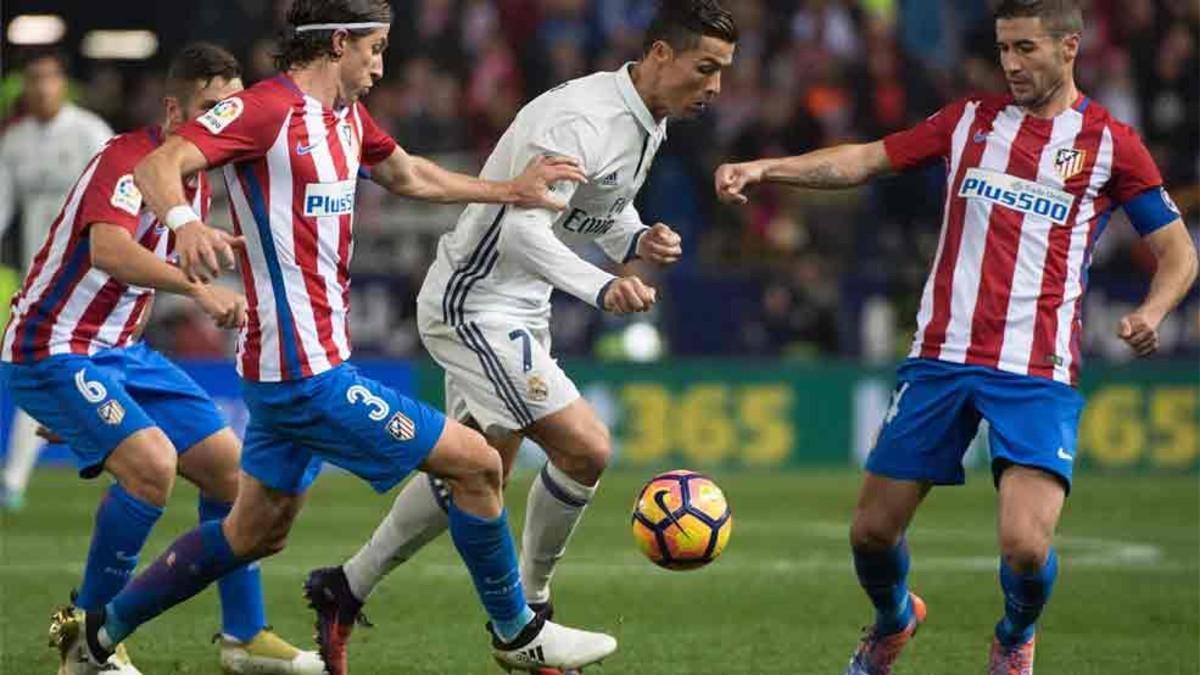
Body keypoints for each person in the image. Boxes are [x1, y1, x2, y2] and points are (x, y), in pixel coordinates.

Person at [59, 2, 618, 673]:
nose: (381, 66)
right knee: (476, 463)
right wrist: (183, 221)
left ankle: (95, 637)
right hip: (303, 374)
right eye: (375, 50)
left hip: (294, 368)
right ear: (340, 43)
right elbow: (161, 165)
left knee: (252, 530)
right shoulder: (265, 110)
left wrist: (511, 190)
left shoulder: (346, 117)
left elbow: (409, 174)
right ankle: (516, 631)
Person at [713, 1, 1197, 673]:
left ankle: (1014, 635)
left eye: (1026, 48)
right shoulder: (970, 120)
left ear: (1070, 47)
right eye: (1004, 48)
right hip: (940, 357)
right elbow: (865, 159)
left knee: (1025, 546)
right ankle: (894, 618)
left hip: (1037, 369)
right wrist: (770, 167)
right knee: (871, 534)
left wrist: (1155, 309)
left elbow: (1178, 253)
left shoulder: (1112, 144)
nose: (1012, 63)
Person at [303, 2, 738, 672]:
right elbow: (521, 229)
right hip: (476, 303)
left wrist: (636, 236)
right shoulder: (583, 119)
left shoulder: (646, 118)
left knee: (477, 469)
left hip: (515, 306)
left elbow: (600, 203)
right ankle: (532, 618)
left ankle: (344, 587)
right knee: (586, 448)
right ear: (660, 55)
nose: (714, 87)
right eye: (705, 68)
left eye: (723, 73)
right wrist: (602, 285)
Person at [0, 43, 323, 675]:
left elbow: (136, 290)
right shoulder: (130, 160)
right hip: (52, 346)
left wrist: (90, 408)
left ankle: (243, 638)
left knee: (237, 480)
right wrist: (199, 288)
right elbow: (111, 254)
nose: (216, 124)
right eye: (207, 109)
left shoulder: (193, 181)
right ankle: (87, 638)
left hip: (117, 356)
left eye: (227, 111)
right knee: (152, 468)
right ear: (174, 108)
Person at [0, 48, 113, 511]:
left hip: (95, 276)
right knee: (45, 369)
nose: (41, 87)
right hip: (41, 278)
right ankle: (15, 479)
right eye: (34, 79)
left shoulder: (90, 132)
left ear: (62, 83)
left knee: (92, 370)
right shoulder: (14, 142)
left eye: (49, 78)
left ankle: (118, 451)